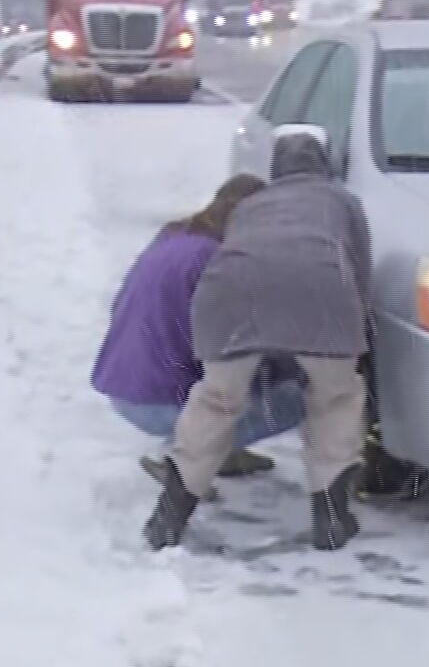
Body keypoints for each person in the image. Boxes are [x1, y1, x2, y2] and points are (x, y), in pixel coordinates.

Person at [144, 124, 373, 551]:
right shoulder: (342, 200)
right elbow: (359, 270)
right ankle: (331, 517)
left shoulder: (254, 203)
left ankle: (168, 517)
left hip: (227, 294)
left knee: (217, 401)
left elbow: (251, 257)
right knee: (335, 400)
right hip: (321, 293)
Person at [92, 174, 308, 483]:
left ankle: (218, 451)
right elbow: (237, 348)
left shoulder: (174, 237)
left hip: (125, 388)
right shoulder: (219, 263)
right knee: (298, 397)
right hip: (158, 402)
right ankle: (185, 456)